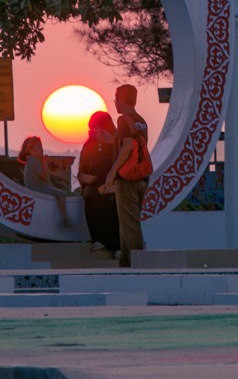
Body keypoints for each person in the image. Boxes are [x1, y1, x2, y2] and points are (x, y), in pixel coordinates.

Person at [102, 84, 152, 267]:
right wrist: (108, 139)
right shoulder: (141, 121)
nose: (115, 103)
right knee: (130, 221)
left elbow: (128, 145)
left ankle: (135, 265)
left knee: (129, 224)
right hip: (142, 177)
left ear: (121, 100)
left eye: (115, 99)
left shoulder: (124, 120)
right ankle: (125, 263)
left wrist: (112, 171)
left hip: (127, 178)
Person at [78, 111, 121, 253]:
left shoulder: (116, 141)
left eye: (98, 127)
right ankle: (98, 239)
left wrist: (108, 142)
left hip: (110, 183)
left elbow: (115, 163)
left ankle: (115, 246)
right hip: (91, 185)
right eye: (93, 128)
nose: (95, 131)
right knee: (91, 198)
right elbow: (82, 166)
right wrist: (83, 177)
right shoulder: (89, 144)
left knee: (109, 207)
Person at [18, 135, 72, 226]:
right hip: (37, 188)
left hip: (34, 187)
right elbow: (44, 176)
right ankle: (64, 218)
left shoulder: (30, 161)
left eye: (41, 147)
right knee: (62, 194)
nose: (42, 149)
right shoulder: (34, 161)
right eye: (39, 147)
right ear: (30, 151)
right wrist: (45, 163)